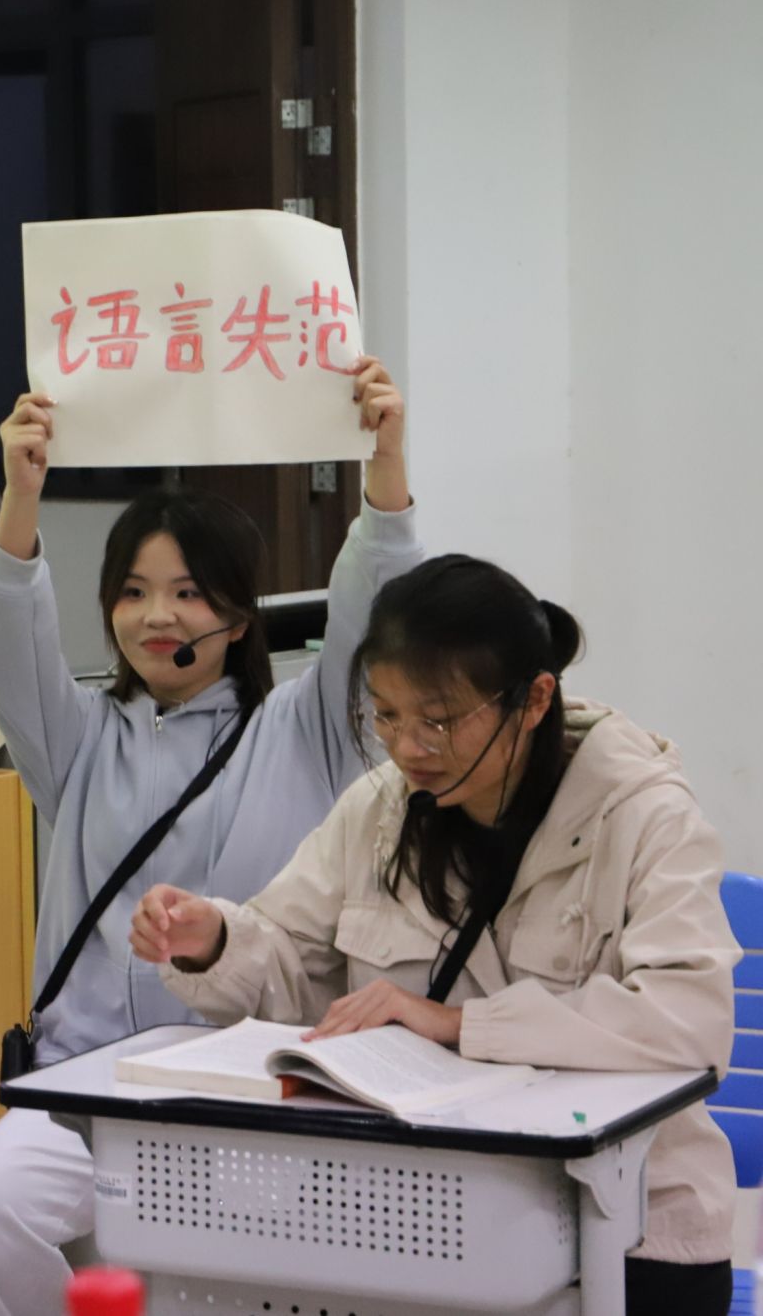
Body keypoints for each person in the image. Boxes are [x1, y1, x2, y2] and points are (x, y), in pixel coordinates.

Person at [0, 359, 422, 1315]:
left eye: (189, 592)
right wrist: (20, 495)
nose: (157, 616)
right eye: (133, 591)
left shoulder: (307, 726)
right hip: (85, 1092)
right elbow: (2, 638)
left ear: (238, 612)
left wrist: (386, 466)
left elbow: (376, 610)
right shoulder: (76, 738)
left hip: (251, 1094)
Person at [131, 556, 737, 1315]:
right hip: (424, 1214)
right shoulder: (379, 808)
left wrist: (456, 1024)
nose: (407, 747)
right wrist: (214, 938)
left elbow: (687, 1019)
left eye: (438, 720)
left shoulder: (644, 813)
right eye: (386, 715)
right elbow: (291, 957)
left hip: (628, 1230)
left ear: (534, 699)